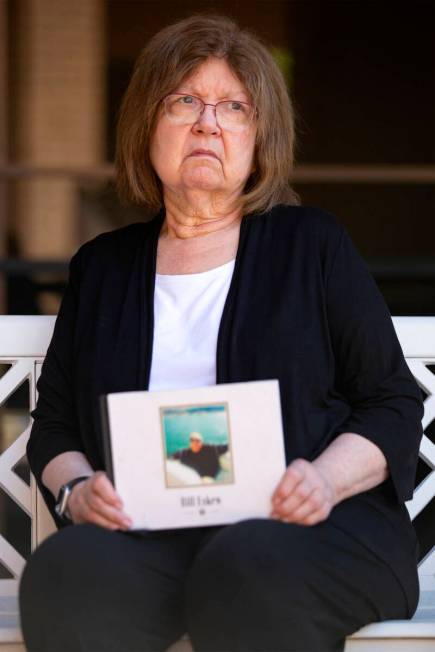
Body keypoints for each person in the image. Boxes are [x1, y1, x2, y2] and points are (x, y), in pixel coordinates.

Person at [19, 13, 424, 652]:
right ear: (146, 127)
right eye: (185, 101)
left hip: (313, 530)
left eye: (233, 107)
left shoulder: (311, 245)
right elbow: (57, 425)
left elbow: (392, 403)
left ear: (258, 138)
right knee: (67, 572)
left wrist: (323, 480)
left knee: (247, 563)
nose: (208, 121)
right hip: (154, 538)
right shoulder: (103, 266)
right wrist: (75, 490)